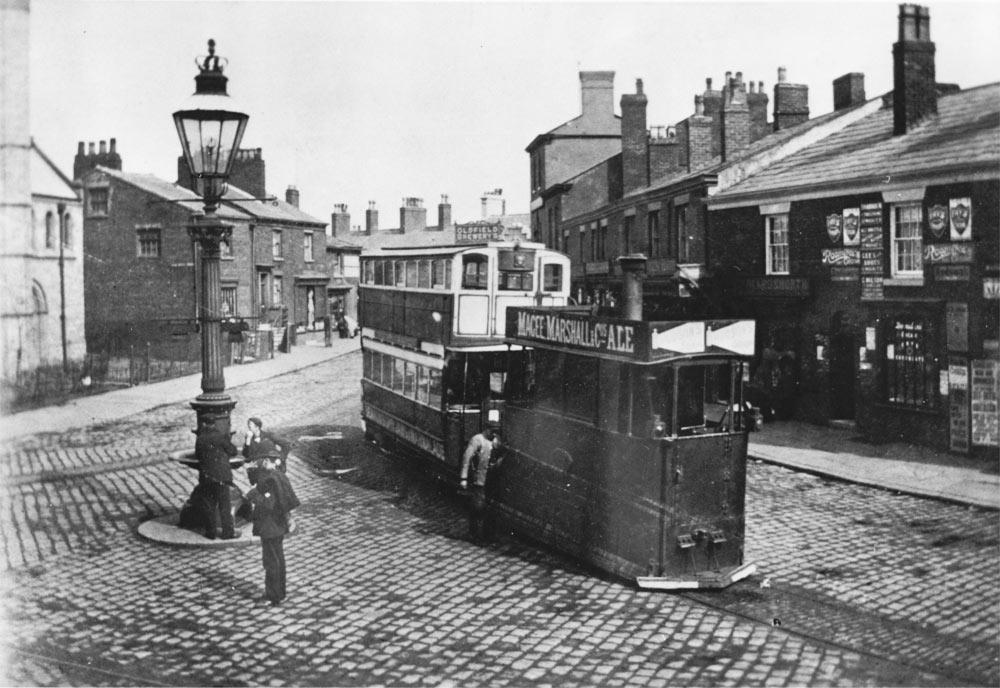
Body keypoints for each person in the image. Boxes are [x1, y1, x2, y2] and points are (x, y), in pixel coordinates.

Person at [245, 453, 301, 606]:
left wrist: (254, 495)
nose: (257, 464)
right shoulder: (278, 475)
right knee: (278, 559)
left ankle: (272, 596)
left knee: (271, 562)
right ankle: (280, 593)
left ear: (265, 461)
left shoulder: (270, 479)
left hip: (270, 526)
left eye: (259, 461)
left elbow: (268, 503)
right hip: (278, 525)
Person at [195, 417, 240, 540]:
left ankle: (211, 533)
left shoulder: (200, 438)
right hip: (221, 476)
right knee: (224, 505)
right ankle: (228, 533)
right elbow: (233, 451)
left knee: (209, 505)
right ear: (214, 424)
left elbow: (198, 455)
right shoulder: (220, 436)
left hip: (207, 477)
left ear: (204, 423)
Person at [459, 424, 502, 542]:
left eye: (496, 431)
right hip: (478, 480)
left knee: (488, 508)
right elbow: (466, 458)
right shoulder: (477, 440)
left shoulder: (496, 440)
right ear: (486, 429)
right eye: (492, 431)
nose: (494, 434)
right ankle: (474, 532)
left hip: (490, 480)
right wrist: (463, 478)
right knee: (478, 507)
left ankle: (486, 535)